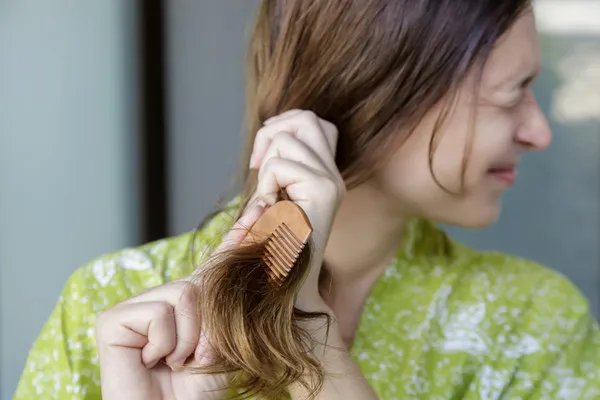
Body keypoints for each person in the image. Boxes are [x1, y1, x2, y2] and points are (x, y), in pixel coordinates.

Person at [14, 1, 600, 399]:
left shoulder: (532, 323)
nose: (538, 132)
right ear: (379, 90)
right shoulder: (110, 307)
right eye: (512, 94)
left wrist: (306, 337)